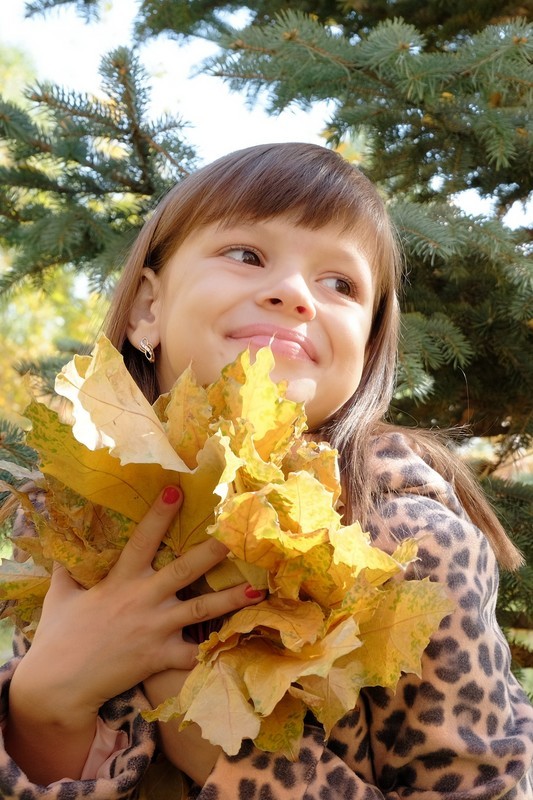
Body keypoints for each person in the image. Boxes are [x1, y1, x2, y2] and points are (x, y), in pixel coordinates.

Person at [0, 142, 531, 799]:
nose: (293, 293)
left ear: (364, 354)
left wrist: (229, 765)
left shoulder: (409, 547)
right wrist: (43, 708)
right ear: (146, 308)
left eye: (340, 284)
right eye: (247, 255)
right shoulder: (67, 522)